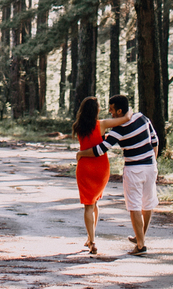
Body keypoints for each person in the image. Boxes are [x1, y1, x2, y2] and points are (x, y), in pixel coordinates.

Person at [76, 93, 159, 255]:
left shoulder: (116, 130)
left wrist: (81, 154)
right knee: (147, 204)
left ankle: (140, 244)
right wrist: (153, 161)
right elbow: (155, 140)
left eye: (112, 110)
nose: (110, 112)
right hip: (149, 165)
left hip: (132, 169)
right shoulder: (142, 118)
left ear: (119, 111)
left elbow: (100, 149)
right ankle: (140, 236)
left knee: (133, 205)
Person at [71, 96, 130, 255]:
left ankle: (92, 240)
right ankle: (91, 238)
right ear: (96, 110)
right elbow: (125, 118)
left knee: (88, 205)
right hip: (101, 167)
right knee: (95, 202)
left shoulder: (78, 126)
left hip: (85, 167)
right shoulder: (102, 124)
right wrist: (130, 111)